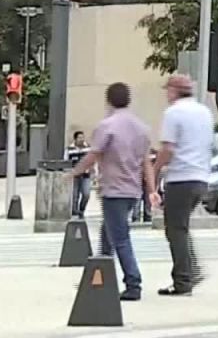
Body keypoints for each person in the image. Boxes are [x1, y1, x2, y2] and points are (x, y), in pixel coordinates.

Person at [70, 83, 152, 301]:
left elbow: (93, 154)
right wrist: (151, 190)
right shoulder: (141, 128)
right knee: (108, 234)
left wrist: (75, 172)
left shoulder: (107, 126)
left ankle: (133, 283)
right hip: (133, 190)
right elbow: (146, 163)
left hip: (114, 189)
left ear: (108, 100)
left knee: (120, 238)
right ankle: (100, 275)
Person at [151, 74, 213, 296]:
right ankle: (190, 270)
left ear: (175, 90)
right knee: (182, 228)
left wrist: (155, 171)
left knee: (175, 230)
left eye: (168, 90)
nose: (166, 94)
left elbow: (168, 148)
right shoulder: (205, 112)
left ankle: (183, 281)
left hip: (181, 178)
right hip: (201, 178)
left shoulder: (173, 112)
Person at [66, 131, 92, 217]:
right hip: (75, 176)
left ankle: (82, 209)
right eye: (79, 138)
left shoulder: (88, 148)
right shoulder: (69, 149)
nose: (81, 139)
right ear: (75, 139)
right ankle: (75, 212)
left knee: (86, 194)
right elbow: (66, 162)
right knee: (74, 196)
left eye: (82, 137)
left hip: (86, 175)